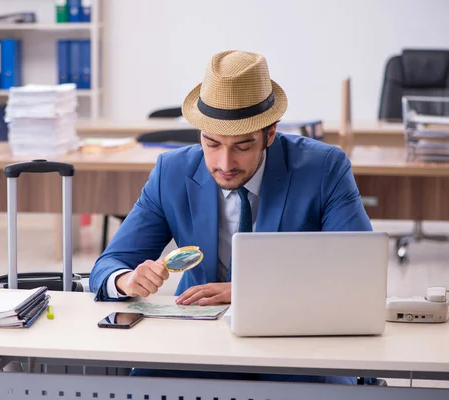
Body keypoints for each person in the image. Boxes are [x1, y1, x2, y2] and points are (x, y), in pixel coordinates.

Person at [89, 50, 372, 384]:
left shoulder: (324, 168)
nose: (224, 164)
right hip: (200, 343)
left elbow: (359, 276)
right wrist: (126, 280)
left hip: (296, 341)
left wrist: (249, 291)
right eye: (212, 144)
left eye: (242, 146)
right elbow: (109, 265)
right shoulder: (173, 172)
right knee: (136, 387)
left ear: (270, 134)